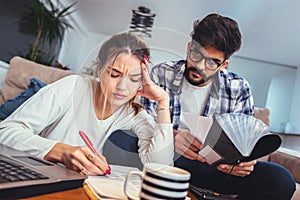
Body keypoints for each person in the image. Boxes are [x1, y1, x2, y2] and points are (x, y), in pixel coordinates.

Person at [141, 13, 296, 199]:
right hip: (171, 160)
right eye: (196, 55)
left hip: (218, 170)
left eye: (212, 62)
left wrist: (246, 161)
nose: (200, 66)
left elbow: (247, 141)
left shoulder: (239, 88)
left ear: (224, 64)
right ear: (189, 47)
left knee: (280, 179)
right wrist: (173, 138)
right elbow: (144, 125)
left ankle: (202, 192)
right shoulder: (161, 73)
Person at [0, 32, 174, 176]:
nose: (122, 87)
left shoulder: (135, 114)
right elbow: (6, 131)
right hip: (35, 175)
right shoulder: (73, 86)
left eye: (134, 79)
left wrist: (163, 102)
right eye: (114, 74)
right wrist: (60, 150)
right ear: (99, 70)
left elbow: (160, 167)